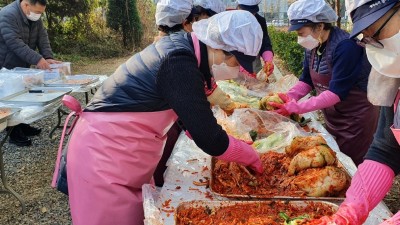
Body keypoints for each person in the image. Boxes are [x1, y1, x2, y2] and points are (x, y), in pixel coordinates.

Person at [64, 10, 264, 225]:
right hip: (103, 156)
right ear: (217, 47)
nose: (236, 71)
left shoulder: (184, 50)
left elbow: (190, 114)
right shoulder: (178, 62)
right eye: (236, 63)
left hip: (124, 152)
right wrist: (250, 156)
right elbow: (209, 138)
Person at [308, 0, 400, 224]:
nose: (375, 45)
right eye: (367, 39)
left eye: (375, 31)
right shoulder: (393, 74)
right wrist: (351, 209)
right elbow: (386, 150)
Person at [270, 0, 379, 166]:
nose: (299, 37)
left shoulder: (345, 47)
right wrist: (287, 97)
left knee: (351, 164)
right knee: (334, 157)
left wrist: (298, 107)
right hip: (333, 115)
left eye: (301, 32)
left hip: (356, 118)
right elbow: (306, 80)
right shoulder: (313, 45)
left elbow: (336, 93)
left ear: (319, 26)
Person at [152, 0, 245, 187]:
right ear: (188, 22)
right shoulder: (178, 58)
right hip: (116, 148)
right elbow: (208, 136)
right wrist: (243, 153)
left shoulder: (179, 47)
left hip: (147, 136)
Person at [0, 0, 60, 146]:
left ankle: (22, 125)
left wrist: (48, 57)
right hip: (4, 65)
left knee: (23, 95)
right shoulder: (7, 14)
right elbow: (14, 42)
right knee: (9, 98)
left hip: (21, 64)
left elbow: (42, 37)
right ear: (26, 4)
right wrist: (38, 59)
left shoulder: (34, 18)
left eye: (41, 13)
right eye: (37, 12)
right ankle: (12, 132)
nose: (39, 15)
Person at [236, 0, 274, 80]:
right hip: (233, 65)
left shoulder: (260, 21)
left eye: (253, 13)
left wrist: (268, 60)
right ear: (238, 7)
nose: (250, 16)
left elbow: (264, 43)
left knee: (258, 88)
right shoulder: (229, 21)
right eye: (246, 12)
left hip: (254, 64)